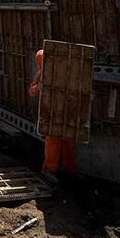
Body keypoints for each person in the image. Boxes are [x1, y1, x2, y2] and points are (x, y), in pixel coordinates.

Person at [28, 49, 78, 179]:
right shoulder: (40, 75)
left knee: (68, 141)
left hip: (66, 111)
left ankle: (70, 169)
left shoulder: (65, 71)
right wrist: (37, 88)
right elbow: (32, 91)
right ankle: (49, 169)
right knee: (53, 141)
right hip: (51, 112)